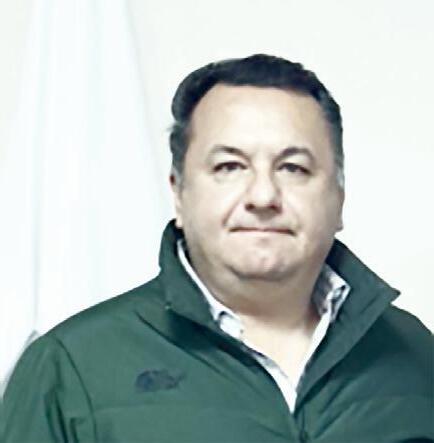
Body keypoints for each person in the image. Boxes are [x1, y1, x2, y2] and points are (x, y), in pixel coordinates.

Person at [2, 54, 433, 442]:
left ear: (338, 197)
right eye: (229, 166)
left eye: (293, 168)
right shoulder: (71, 368)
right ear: (179, 193)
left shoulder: (414, 353)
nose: (263, 196)